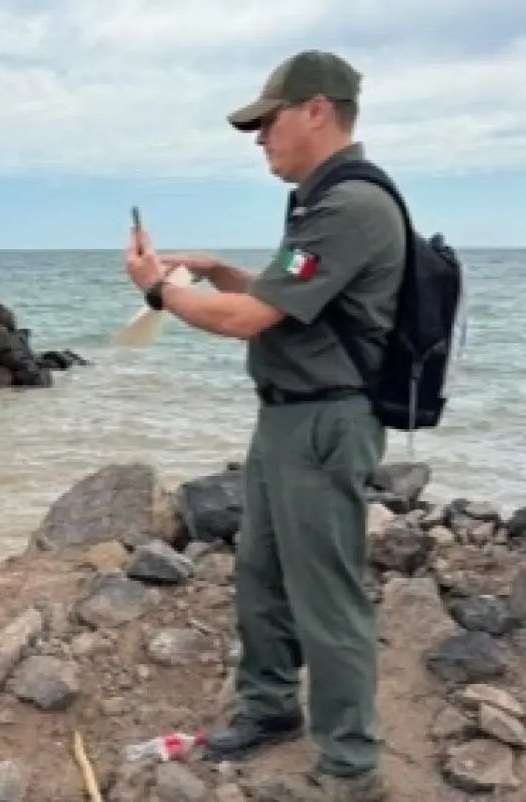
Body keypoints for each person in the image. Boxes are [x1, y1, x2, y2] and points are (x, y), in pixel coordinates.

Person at [123, 50, 404, 801]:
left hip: (324, 422)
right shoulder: (322, 203)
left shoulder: (350, 206)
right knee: (262, 573)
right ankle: (270, 707)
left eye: (266, 122)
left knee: (325, 594)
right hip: (289, 418)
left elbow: (247, 320)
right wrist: (220, 272)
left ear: (315, 110)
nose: (258, 139)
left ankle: (350, 768)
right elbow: (285, 300)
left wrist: (159, 291)